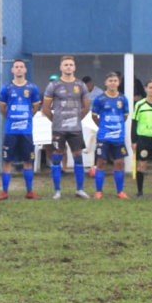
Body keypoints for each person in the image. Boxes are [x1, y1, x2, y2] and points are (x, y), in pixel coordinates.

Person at [42, 56, 91, 199]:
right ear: (61, 67)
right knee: (57, 157)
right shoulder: (53, 85)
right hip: (59, 128)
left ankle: (79, 189)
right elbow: (45, 108)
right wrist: (56, 120)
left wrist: (76, 119)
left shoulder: (80, 85)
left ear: (74, 67)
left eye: (71, 64)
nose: (68, 67)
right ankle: (57, 190)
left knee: (78, 157)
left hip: (75, 128)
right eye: (66, 65)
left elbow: (86, 107)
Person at [0, 59, 42, 200]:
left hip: (26, 132)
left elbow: (35, 108)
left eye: (21, 67)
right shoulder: (6, 88)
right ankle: (4, 192)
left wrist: (26, 118)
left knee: (28, 161)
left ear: (25, 70)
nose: (19, 69)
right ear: (12, 70)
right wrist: (11, 118)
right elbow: (2, 108)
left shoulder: (32, 88)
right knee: (7, 161)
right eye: (16, 67)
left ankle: (29, 191)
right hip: (11, 131)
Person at [92, 72, 131, 198]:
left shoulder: (123, 99)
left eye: (115, 80)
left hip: (118, 137)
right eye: (110, 80)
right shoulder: (100, 99)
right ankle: (99, 191)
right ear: (106, 83)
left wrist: (116, 126)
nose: (113, 83)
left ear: (118, 82)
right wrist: (103, 126)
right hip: (103, 137)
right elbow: (94, 116)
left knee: (119, 162)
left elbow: (125, 116)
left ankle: (120, 191)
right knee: (101, 162)